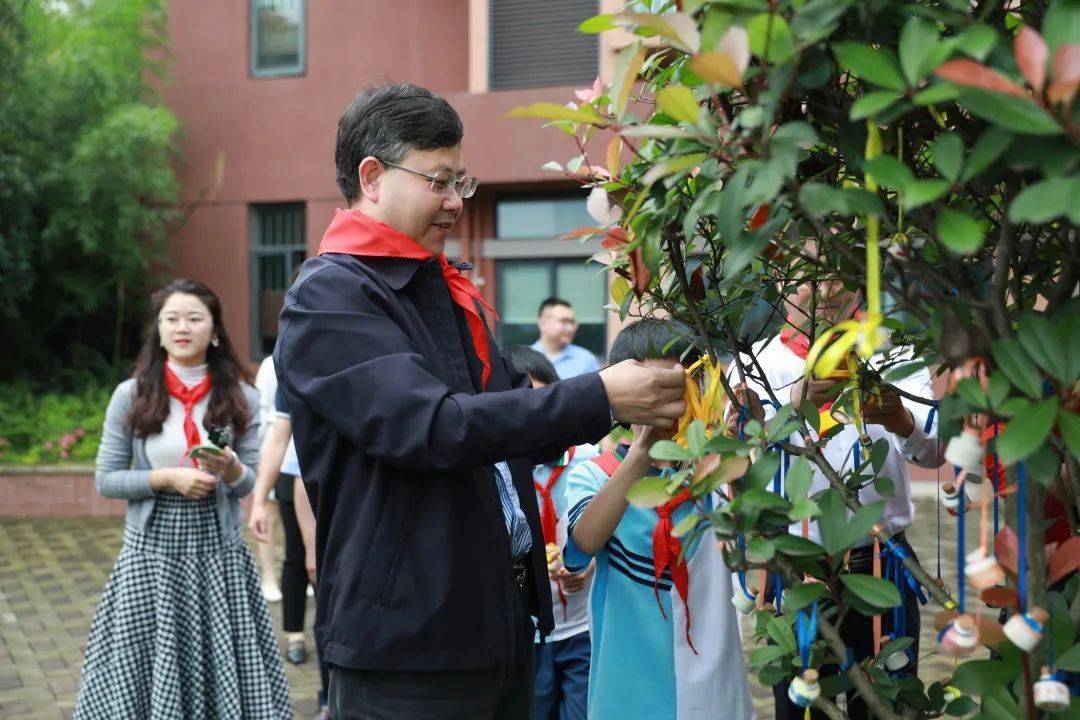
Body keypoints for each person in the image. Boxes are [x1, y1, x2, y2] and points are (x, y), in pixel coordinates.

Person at [274, 82, 687, 720]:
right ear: (373, 176)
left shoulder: (438, 289)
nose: (454, 203)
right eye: (439, 181)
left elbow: (523, 427)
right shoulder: (330, 296)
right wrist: (601, 394)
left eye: (460, 183)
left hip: (494, 621)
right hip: (407, 642)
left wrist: (631, 384)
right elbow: (432, 428)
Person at [75, 279, 291, 719]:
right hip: (149, 557)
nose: (182, 327)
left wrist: (229, 466)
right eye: (171, 318)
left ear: (213, 330)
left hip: (219, 557)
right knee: (144, 669)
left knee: (224, 668)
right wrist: (166, 478)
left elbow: (249, 483)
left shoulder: (241, 396)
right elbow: (107, 479)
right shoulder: (130, 396)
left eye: (194, 318)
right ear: (158, 329)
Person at [732, 277, 940, 720]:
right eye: (808, 278)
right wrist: (792, 403)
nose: (824, 292)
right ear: (781, 280)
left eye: (837, 276)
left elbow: (934, 450)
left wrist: (903, 421)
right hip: (797, 567)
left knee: (888, 704)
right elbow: (733, 465)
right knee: (806, 708)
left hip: (884, 564)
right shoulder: (753, 363)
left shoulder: (894, 353)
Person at [564, 318, 754, 720]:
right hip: (626, 691)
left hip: (714, 692)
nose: (664, 405)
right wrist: (640, 454)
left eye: (677, 388)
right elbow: (579, 550)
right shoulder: (594, 472)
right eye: (651, 390)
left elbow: (758, 565)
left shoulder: (720, 472)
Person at [507, 346, 597, 720]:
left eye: (544, 400)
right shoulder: (501, 472)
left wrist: (586, 565)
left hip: (583, 629)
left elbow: (609, 531)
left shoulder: (587, 462)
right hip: (528, 635)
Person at [250, 388, 331, 720]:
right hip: (307, 496)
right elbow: (284, 445)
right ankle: (328, 698)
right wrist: (258, 500)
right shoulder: (294, 366)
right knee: (301, 566)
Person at [253, 354, 284, 603]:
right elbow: (261, 411)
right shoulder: (269, 363)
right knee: (269, 514)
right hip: (274, 443)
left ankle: (296, 575)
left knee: (300, 518)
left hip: (304, 448)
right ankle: (269, 576)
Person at [532, 297, 601, 379]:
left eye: (572, 322)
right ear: (542, 323)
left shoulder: (586, 361)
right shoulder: (523, 361)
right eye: (564, 321)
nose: (570, 328)